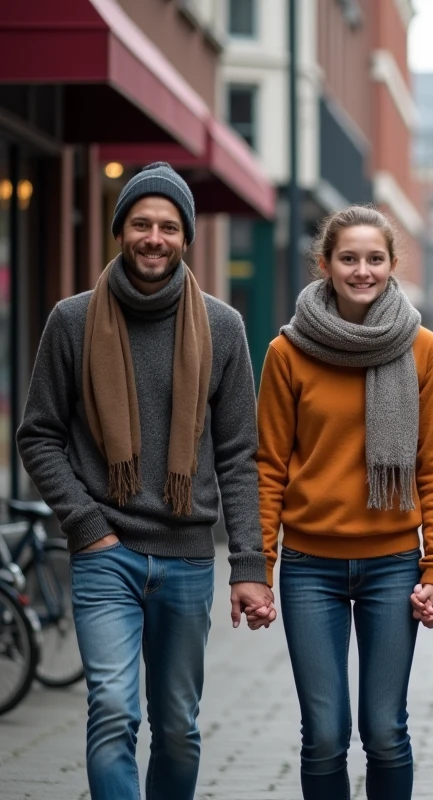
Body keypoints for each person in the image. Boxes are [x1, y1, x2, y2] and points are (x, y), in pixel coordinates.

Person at [16, 162, 274, 800]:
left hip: (188, 559)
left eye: (167, 225)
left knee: (178, 727)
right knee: (112, 709)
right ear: (120, 231)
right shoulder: (72, 322)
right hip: (106, 553)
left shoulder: (224, 327)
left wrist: (248, 565)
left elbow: (241, 453)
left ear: (186, 237)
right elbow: (38, 434)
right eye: (140, 223)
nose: (153, 237)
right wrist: (87, 524)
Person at [255, 205, 433, 799]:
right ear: (325, 265)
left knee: (385, 729)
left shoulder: (424, 350)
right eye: (348, 258)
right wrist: (256, 568)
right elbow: (266, 466)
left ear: (393, 266)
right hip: (308, 567)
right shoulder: (287, 353)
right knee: (323, 733)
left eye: (374, 259)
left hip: (395, 564)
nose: (361, 270)